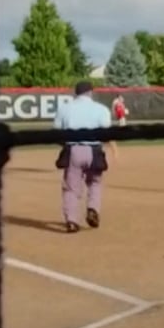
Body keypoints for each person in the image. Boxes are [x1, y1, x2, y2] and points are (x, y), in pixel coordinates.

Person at [53, 80, 114, 232]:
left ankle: (72, 221)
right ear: (90, 92)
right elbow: (106, 132)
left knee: (71, 188)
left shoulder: (65, 109)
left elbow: (57, 132)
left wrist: (66, 146)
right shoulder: (101, 109)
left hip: (74, 149)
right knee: (95, 182)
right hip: (94, 150)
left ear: (76, 93)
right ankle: (93, 209)